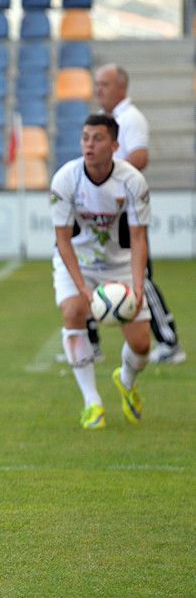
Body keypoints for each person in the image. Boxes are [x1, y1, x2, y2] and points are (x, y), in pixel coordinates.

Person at [50, 114, 152, 429]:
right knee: (73, 312)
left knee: (141, 346)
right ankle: (92, 402)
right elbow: (62, 239)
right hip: (77, 261)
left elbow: (138, 238)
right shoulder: (66, 178)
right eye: (85, 138)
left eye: (97, 138)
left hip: (120, 265)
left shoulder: (132, 180)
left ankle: (126, 379)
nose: (89, 145)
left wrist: (137, 287)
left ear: (115, 145)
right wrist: (81, 288)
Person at [94, 64, 185, 365]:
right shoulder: (112, 120)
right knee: (92, 267)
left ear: (121, 87)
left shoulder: (130, 118)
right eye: (96, 84)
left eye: (104, 84)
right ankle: (89, 340)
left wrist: (113, 182)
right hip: (109, 211)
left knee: (140, 277)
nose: (98, 90)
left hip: (126, 210)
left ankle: (169, 341)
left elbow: (140, 156)